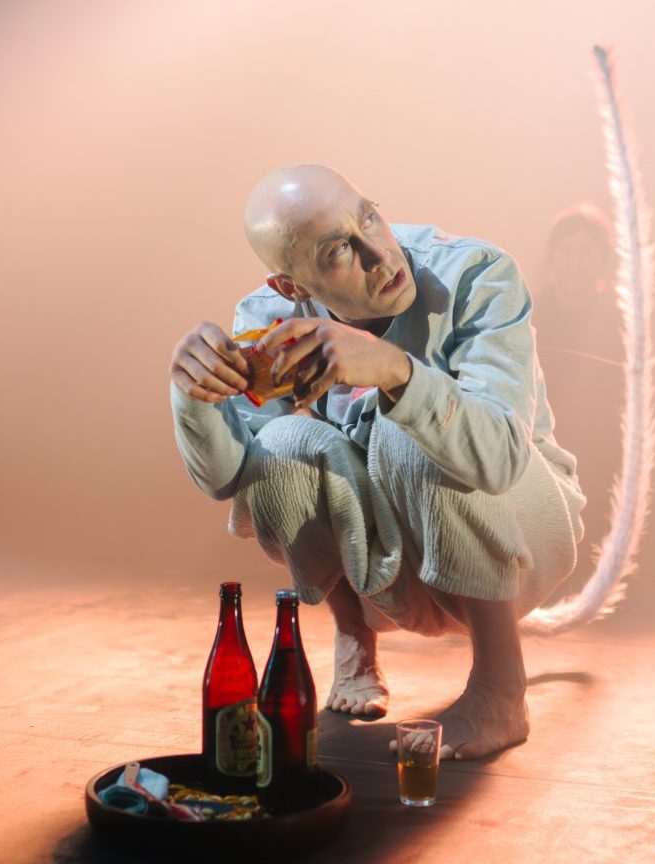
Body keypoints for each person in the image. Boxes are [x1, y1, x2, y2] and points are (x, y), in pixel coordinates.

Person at [168, 165, 585, 760]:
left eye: (369, 217)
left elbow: (500, 460)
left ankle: (501, 686)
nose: (380, 255)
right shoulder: (269, 321)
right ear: (292, 287)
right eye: (339, 250)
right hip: (388, 568)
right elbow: (235, 481)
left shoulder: (476, 273)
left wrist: (395, 371)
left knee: (405, 427)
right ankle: (354, 641)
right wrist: (193, 394)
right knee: (285, 443)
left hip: (523, 536)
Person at [532, 204, 623, 587]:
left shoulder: (621, 321)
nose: (576, 263)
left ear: (603, 262)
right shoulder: (527, 312)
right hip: (540, 440)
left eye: (587, 253)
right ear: (552, 259)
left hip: (601, 445)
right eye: (567, 251)